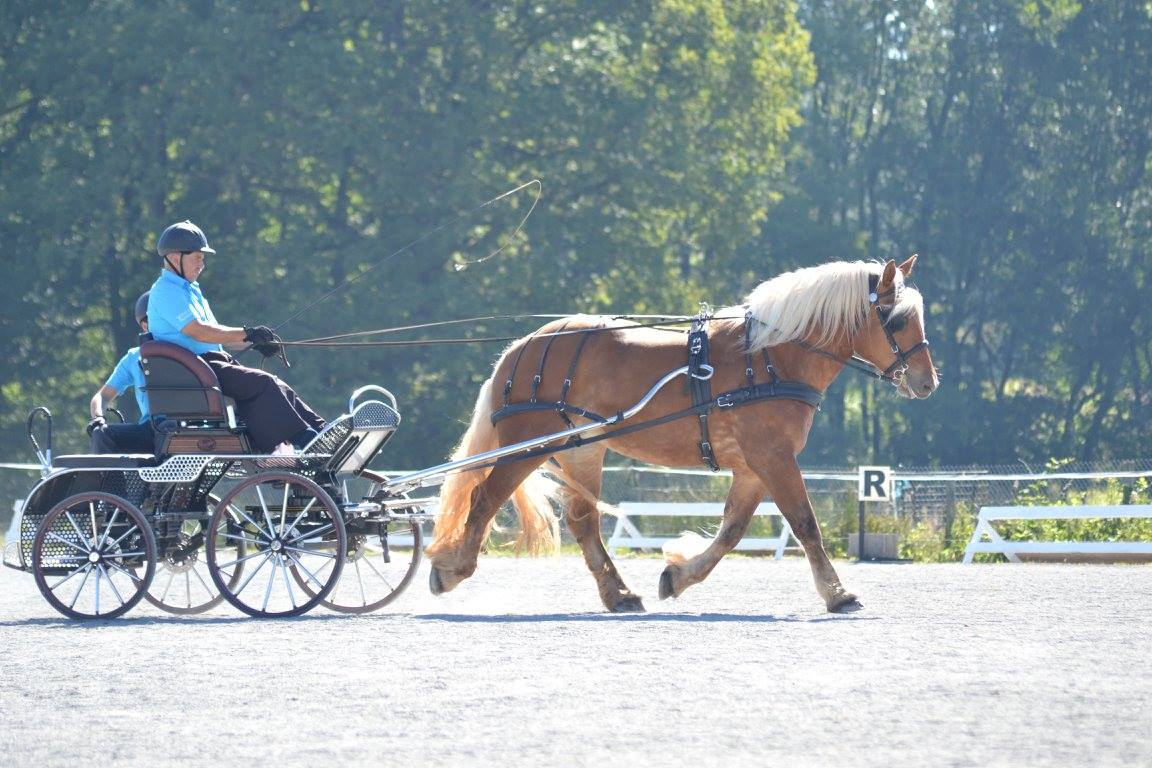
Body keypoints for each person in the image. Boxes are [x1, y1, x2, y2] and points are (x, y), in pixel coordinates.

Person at [146, 220, 325, 454]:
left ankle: (323, 432)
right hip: (194, 371)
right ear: (174, 257)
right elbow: (198, 331)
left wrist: (254, 341)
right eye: (197, 257)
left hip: (207, 365)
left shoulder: (189, 290)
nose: (202, 263)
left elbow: (214, 335)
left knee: (277, 384)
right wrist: (247, 333)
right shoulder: (166, 291)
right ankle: (308, 441)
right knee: (264, 383)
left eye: (203, 258)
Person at [87, 292, 157, 454]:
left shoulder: (190, 346)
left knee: (103, 436)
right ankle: (111, 475)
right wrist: (98, 418)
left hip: (183, 429)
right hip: (153, 432)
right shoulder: (134, 357)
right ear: (145, 325)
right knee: (102, 434)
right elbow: (102, 396)